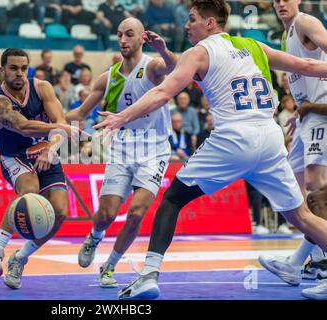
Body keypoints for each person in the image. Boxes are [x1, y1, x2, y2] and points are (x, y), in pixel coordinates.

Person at [94, 0, 327, 300]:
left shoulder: (200, 52)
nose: (186, 24)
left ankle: (148, 275)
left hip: (233, 137)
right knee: (302, 216)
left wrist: (121, 116)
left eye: (192, 19)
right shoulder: (253, 46)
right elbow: (308, 66)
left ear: (210, 23)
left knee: (173, 199)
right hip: (270, 138)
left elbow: (164, 91)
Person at [66, 18, 177, 288]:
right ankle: (94, 237)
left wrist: (163, 49)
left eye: (129, 34)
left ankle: (110, 266)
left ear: (141, 39)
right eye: (119, 35)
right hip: (123, 149)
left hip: (154, 150)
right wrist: (42, 122)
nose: (123, 40)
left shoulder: (152, 67)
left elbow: (175, 68)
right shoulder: (109, 77)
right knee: (106, 215)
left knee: (137, 213)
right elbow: (79, 114)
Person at [0, 48, 79, 290]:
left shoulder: (42, 87)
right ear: (2, 70)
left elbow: (60, 124)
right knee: (30, 192)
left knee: (60, 211)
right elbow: (24, 127)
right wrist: (62, 131)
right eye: (13, 68)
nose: (20, 73)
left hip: (46, 151)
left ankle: (19, 259)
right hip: (16, 156)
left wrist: (52, 148)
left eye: (24, 68)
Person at [256, 0, 327, 299]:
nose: (282, 3)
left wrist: (313, 107)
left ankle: (323, 262)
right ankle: (297, 263)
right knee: (293, 197)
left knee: (316, 187)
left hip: (321, 113)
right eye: (276, 0)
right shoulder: (286, 35)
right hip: (307, 116)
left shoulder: (305, 23)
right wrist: (302, 111)